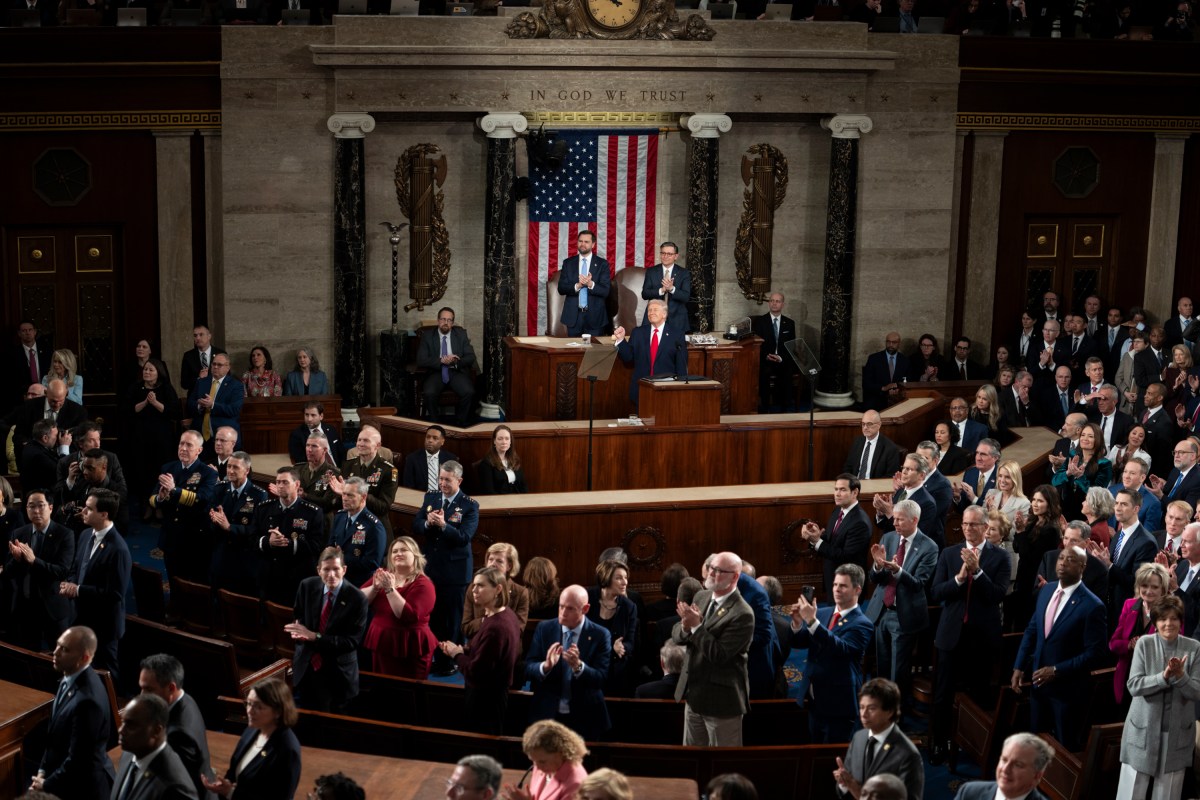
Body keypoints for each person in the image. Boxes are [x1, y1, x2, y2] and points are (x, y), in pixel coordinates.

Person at [929, 505, 1011, 764]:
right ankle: (938, 744)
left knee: (978, 695)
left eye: (973, 524)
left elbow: (997, 595)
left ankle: (973, 747)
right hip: (951, 635)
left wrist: (979, 572)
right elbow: (937, 592)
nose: (967, 528)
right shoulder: (949, 553)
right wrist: (960, 579)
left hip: (982, 637)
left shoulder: (1000, 557)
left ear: (986, 527)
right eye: (964, 524)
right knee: (942, 694)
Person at [1011, 545, 1107, 752]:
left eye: (1070, 560)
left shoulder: (1092, 605)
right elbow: (1032, 629)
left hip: (1068, 692)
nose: (1063, 562)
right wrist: (1018, 666)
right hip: (1038, 686)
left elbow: (1095, 654)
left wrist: (1056, 670)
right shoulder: (1046, 590)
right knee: (1036, 745)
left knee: (1064, 749)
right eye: (1061, 558)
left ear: (1082, 566)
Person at [1116, 595, 1200, 800]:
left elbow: (1197, 691)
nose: (1168, 623)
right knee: (1130, 793)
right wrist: (1163, 677)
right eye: (1163, 619)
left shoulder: (1194, 648)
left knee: (1168, 795)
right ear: (1155, 622)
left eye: (1173, 619)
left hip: (1177, 734)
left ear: (1181, 621)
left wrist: (1180, 676)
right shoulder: (1144, 644)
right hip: (1142, 730)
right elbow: (1134, 685)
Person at [865, 499, 937, 711]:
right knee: (883, 666)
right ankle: (881, 708)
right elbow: (874, 579)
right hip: (882, 612)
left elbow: (919, 584)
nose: (894, 523)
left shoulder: (929, 547)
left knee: (898, 671)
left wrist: (897, 570)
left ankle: (897, 713)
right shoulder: (888, 537)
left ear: (914, 520)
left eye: (899, 519)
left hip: (904, 616)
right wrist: (878, 567)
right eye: (894, 518)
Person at [791, 563, 874, 743]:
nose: (836, 589)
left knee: (832, 758)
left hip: (838, 702)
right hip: (813, 696)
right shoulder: (822, 613)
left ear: (857, 590)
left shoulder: (863, 623)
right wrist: (798, 624)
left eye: (843, 586)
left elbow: (841, 649)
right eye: (835, 584)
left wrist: (812, 623)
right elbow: (801, 642)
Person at [31, 627, 116, 799]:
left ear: (84, 658)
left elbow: (79, 761)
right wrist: (42, 772)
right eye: (58, 645)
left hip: (83, 789)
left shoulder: (88, 701)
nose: (55, 652)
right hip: (62, 777)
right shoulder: (68, 676)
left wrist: (45, 784)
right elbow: (53, 738)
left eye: (65, 649)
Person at [440, 566, 523, 735]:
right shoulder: (504, 614)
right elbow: (489, 654)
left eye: (480, 586)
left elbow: (475, 672)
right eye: (473, 585)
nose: (474, 590)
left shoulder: (496, 626)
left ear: (498, 589)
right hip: (492, 696)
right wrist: (463, 649)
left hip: (486, 701)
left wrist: (457, 655)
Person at [285, 546, 368, 712]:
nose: (331, 575)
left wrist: (314, 636)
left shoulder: (357, 599)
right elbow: (298, 615)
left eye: (336, 569)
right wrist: (298, 629)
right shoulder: (306, 586)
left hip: (337, 674)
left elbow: (351, 642)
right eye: (326, 569)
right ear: (318, 570)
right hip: (306, 667)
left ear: (344, 570)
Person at [414, 460, 479, 675]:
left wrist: (443, 526)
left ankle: (451, 661)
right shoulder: (431, 497)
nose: (442, 483)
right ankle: (434, 656)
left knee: (452, 620)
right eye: (440, 478)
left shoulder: (469, 505)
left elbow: (464, 537)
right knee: (432, 617)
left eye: (447, 480)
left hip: (454, 573)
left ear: (459, 480)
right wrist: (426, 523)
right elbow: (416, 523)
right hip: (431, 568)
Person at [524, 585, 612, 740]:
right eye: (561, 606)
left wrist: (578, 666)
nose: (563, 613)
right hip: (547, 714)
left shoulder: (600, 635)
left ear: (585, 609)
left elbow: (601, 678)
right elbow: (528, 667)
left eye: (570, 609)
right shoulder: (545, 628)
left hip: (585, 718)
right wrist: (545, 667)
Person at [60, 489, 131, 679]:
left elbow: (115, 594)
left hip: (104, 626)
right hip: (81, 616)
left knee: (107, 674)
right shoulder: (85, 535)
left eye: (89, 509)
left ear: (104, 514)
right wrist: (70, 584)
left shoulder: (118, 549)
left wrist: (79, 590)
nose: (83, 511)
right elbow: (76, 568)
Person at [201, 677, 301, 800]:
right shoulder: (253, 729)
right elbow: (234, 771)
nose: (249, 711)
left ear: (278, 711)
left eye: (258, 706)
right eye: (248, 703)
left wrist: (231, 793)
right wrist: (223, 785)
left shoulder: (287, 751)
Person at [1, 489, 74, 650]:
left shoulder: (65, 534)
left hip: (53, 608)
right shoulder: (19, 533)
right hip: (26, 607)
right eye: (31, 506)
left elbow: (62, 571)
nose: (36, 511)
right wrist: (18, 560)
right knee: (28, 657)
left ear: (50, 507)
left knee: (61, 658)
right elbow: (7, 572)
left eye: (40, 506)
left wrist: (34, 561)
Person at [831, 678, 923, 800]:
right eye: (862, 707)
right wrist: (844, 784)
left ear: (889, 712)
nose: (863, 714)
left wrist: (857, 791)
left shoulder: (908, 755)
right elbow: (845, 787)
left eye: (871, 708)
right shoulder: (859, 737)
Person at [361, 536, 439, 678]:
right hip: (381, 642)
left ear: (415, 555)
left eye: (404, 550)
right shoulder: (384, 574)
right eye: (394, 551)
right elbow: (359, 601)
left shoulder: (424, 584)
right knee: (382, 687)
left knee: (407, 693)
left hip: (410, 647)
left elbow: (407, 616)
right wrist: (375, 588)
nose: (398, 554)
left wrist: (390, 589)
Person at [138, 653, 213, 800]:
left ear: (171, 688)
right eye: (141, 688)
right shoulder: (186, 699)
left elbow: (172, 786)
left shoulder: (179, 734)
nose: (142, 696)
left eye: (148, 690)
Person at [254, 466, 326, 605]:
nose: (280, 486)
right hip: (269, 576)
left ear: (297, 484)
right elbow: (252, 538)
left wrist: (288, 543)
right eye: (278, 482)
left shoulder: (312, 512)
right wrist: (268, 542)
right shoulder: (264, 508)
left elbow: (316, 546)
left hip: (296, 577)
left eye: (285, 482)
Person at [112, 693, 198, 800]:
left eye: (131, 725)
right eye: (123, 722)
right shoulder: (129, 754)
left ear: (156, 731)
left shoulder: (176, 788)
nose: (121, 730)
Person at [1109, 562, 1171, 707]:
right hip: (1126, 677)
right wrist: (1129, 645)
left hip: (1155, 681)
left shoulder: (1170, 613)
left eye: (1154, 587)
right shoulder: (1129, 605)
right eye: (1144, 586)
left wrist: (1146, 644)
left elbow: (1172, 648)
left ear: (1163, 590)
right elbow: (1113, 643)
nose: (1148, 591)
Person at [209, 450, 270, 596]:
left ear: (247, 470)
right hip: (221, 553)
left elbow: (256, 530)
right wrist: (213, 520)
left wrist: (230, 527)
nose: (230, 471)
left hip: (244, 557)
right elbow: (209, 518)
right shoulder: (219, 489)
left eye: (235, 467)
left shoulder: (259, 495)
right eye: (229, 466)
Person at [802, 474, 872, 597]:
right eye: (836, 489)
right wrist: (815, 536)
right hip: (833, 578)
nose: (837, 494)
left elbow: (845, 556)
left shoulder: (860, 522)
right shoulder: (837, 511)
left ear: (855, 492)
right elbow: (832, 541)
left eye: (842, 490)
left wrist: (817, 542)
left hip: (848, 585)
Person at [613, 299, 689, 407]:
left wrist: (681, 390)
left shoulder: (676, 334)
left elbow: (681, 365)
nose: (651, 312)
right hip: (642, 388)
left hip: (666, 390)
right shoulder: (638, 332)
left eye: (655, 309)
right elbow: (628, 358)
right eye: (649, 310)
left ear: (664, 314)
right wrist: (621, 340)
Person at [124, 358, 180, 502]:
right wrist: (145, 402)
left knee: (161, 469)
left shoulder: (166, 388)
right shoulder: (135, 387)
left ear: (158, 372)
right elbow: (129, 410)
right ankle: (145, 505)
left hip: (162, 437)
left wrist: (155, 403)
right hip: (140, 436)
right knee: (142, 471)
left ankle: (160, 503)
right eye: (145, 369)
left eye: (150, 370)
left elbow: (174, 412)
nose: (147, 372)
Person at [417, 307, 477, 426]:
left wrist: (455, 361)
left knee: (469, 391)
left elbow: (471, 357)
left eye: (449, 320)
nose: (446, 322)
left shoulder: (460, 334)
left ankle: (460, 423)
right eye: (443, 319)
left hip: (455, 371)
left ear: (452, 323)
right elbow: (421, 360)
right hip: (436, 372)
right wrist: (441, 361)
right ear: (438, 320)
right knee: (429, 393)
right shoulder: (428, 336)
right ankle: (435, 425)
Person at [586, 558, 638, 696]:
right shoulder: (587, 598)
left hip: (616, 670)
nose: (625, 582)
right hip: (588, 665)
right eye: (619, 578)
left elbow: (631, 642)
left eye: (626, 577)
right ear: (607, 578)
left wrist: (622, 647)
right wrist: (610, 647)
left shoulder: (629, 607)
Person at [336, 425, 398, 538]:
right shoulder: (347, 465)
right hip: (350, 527)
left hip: (374, 528)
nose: (360, 443)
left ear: (377, 446)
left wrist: (358, 495)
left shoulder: (388, 470)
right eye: (359, 440)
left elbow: (383, 507)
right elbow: (339, 502)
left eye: (366, 440)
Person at [500, 720, 588, 800]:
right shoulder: (542, 765)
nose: (537, 766)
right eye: (533, 760)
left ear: (561, 752)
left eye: (542, 761)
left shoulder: (575, 784)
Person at [952, 733, 1053, 800]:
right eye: (1004, 760)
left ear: (1037, 776)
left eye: (1018, 765)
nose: (1005, 769)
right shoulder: (969, 793)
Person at [326, 477, 386, 589]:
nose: (345, 498)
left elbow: (372, 563)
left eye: (350, 495)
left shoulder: (374, 526)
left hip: (358, 585)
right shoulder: (339, 517)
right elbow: (330, 546)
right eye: (344, 494)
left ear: (363, 497)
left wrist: (342, 559)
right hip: (336, 580)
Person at [462, 542, 530, 638]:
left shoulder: (521, 593)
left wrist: (494, 621)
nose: (493, 564)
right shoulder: (474, 588)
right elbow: (465, 628)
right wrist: (485, 621)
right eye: (490, 559)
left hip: (507, 647)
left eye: (499, 561)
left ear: (509, 566)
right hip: (477, 646)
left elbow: (518, 630)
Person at [1052, 421, 1113, 520]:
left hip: (1087, 514)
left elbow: (1096, 494)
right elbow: (1055, 480)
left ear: (1097, 440)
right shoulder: (1073, 455)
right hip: (1065, 509)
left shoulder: (1105, 464)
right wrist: (1068, 473)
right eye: (1083, 435)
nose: (1085, 439)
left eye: (1090, 436)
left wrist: (1080, 477)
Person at [186, 353, 243, 458]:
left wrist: (212, 405)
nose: (215, 367)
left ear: (227, 367)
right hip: (200, 437)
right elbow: (189, 404)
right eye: (214, 364)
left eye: (219, 365)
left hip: (223, 437)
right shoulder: (201, 382)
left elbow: (234, 409)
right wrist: (199, 406)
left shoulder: (236, 385)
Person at [556, 229, 611, 338]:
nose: (582, 244)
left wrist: (590, 284)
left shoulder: (602, 264)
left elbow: (606, 291)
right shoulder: (568, 263)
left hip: (595, 317)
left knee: (594, 353)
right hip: (573, 317)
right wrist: (578, 285)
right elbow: (561, 288)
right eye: (580, 241)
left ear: (593, 244)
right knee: (573, 352)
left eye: (586, 242)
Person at [753, 291, 799, 412]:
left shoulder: (789, 323)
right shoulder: (760, 322)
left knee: (787, 371)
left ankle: (784, 408)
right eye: (772, 301)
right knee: (763, 372)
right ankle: (765, 407)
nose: (774, 303)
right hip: (766, 359)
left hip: (782, 359)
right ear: (769, 303)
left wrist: (781, 358)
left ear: (782, 304)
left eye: (777, 301)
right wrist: (766, 356)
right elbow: (757, 345)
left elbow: (791, 346)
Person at [641, 240, 691, 332]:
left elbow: (686, 297)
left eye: (669, 254)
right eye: (663, 253)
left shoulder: (684, 273)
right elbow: (645, 294)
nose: (665, 256)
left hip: (677, 319)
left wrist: (671, 289)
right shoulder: (651, 271)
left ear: (676, 256)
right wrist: (661, 290)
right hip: (654, 317)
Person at [843, 410, 902, 480]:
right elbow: (848, 467)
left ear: (879, 425)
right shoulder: (858, 441)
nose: (865, 427)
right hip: (855, 485)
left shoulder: (890, 449)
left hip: (875, 487)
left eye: (869, 424)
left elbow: (891, 476)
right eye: (863, 424)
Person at [861, 332, 909, 412]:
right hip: (878, 397)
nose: (890, 345)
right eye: (888, 341)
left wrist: (898, 388)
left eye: (894, 342)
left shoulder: (905, 361)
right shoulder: (874, 359)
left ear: (899, 344)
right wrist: (883, 388)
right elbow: (866, 383)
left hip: (898, 397)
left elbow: (908, 379)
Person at [402, 424, 458, 492]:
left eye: (435, 438)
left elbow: (454, 485)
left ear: (442, 441)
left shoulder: (450, 459)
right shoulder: (412, 459)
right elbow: (408, 486)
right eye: (428, 437)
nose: (430, 440)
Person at [9, 320, 51, 408]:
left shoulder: (47, 350)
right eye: (24, 331)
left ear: (35, 332)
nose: (27, 333)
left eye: (30, 330)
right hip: (24, 399)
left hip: (46, 395)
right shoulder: (12, 354)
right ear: (19, 334)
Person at [476, 424, 528, 495]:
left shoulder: (514, 459)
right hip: (499, 502)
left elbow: (523, 485)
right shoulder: (486, 464)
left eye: (507, 438)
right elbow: (489, 491)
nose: (504, 442)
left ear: (510, 442)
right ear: (494, 441)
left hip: (518, 500)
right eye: (500, 439)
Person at [286, 401, 341, 467]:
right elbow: (301, 462)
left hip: (337, 469)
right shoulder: (297, 435)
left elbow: (341, 453)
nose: (309, 419)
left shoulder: (331, 429)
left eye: (313, 415)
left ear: (321, 416)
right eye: (306, 415)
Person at [983, 458, 1031, 525]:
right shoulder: (991, 493)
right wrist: (988, 511)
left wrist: (993, 512)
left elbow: (1016, 532)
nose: (1002, 480)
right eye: (1000, 476)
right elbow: (982, 522)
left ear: (1015, 479)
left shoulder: (1024, 503)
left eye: (1007, 477)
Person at [179, 325, 225, 395]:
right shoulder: (188, 356)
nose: (198, 338)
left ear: (209, 336)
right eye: (195, 335)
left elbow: (227, 379)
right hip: (196, 398)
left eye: (201, 334)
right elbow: (184, 384)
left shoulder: (220, 354)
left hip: (217, 397)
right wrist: (199, 379)